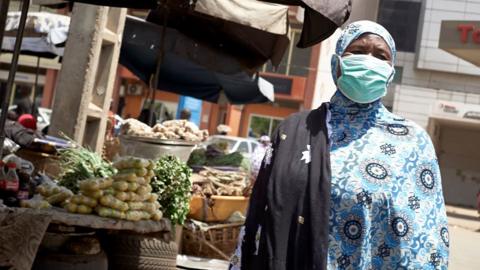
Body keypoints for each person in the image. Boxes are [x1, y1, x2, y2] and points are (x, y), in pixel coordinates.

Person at [230, 21, 449, 270]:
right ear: (336, 65)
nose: (368, 60)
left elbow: (427, 242)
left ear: (390, 72)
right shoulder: (293, 132)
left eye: (381, 56)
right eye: (357, 52)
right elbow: (258, 218)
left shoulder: (410, 142)